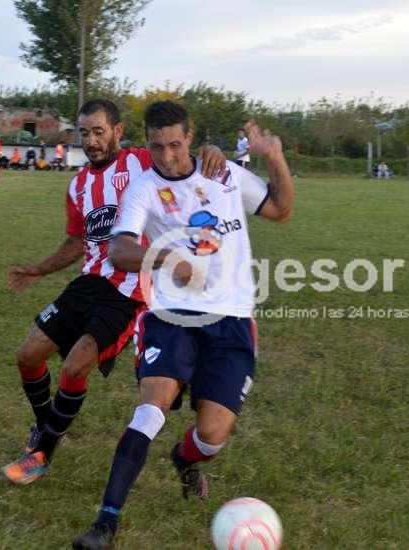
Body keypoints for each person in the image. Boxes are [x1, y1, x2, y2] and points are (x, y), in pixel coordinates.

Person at [72, 100, 293, 549]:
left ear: (190, 138)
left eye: (175, 144)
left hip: (232, 318)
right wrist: (168, 257)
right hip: (170, 315)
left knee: (211, 436)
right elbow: (120, 250)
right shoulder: (144, 188)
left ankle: (184, 459)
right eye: (157, 147)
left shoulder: (224, 173)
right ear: (147, 143)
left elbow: (280, 209)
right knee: (150, 409)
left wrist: (274, 156)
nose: (167, 156)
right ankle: (105, 523)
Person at [0, 99, 227, 487]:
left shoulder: (141, 161)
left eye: (98, 131)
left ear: (117, 131)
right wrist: (39, 269)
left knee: (75, 365)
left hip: (131, 290)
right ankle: (45, 426)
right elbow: (77, 241)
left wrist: (212, 151)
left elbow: (179, 156)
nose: (90, 141)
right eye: (84, 133)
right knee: (28, 355)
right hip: (89, 282)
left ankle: (41, 455)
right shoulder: (78, 185)